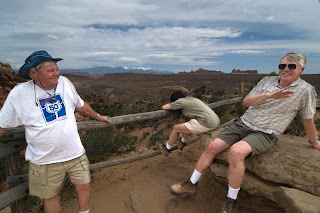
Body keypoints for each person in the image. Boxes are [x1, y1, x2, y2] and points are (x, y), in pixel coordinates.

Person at [169, 52, 320, 213]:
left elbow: (307, 118)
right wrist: (270, 95)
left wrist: (314, 142)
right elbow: (246, 102)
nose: (286, 70)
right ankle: (191, 184)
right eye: (282, 66)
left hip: (265, 133)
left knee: (236, 152)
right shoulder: (267, 81)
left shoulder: (305, 90)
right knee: (212, 147)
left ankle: (230, 200)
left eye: (292, 66)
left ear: (301, 69)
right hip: (243, 124)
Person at [0, 50, 111, 213]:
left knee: (84, 186)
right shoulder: (19, 94)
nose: (56, 73)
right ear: (33, 72)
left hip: (75, 153)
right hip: (45, 160)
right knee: (50, 196)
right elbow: (2, 123)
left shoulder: (65, 83)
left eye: (57, 69)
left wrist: (98, 116)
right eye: (51, 71)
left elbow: (80, 104)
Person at [156, 91, 220, 156]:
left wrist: (173, 104)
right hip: (215, 121)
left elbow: (164, 107)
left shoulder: (181, 101)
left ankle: (166, 149)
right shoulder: (192, 99)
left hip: (207, 122)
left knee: (176, 128)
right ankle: (182, 142)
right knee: (189, 124)